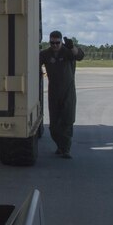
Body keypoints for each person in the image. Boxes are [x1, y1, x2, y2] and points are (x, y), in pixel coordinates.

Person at [40, 30, 84, 158]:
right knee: (54, 125)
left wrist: (72, 47)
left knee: (67, 120)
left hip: (68, 90)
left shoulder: (67, 52)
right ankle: (60, 145)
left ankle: (65, 149)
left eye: (57, 42)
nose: (54, 45)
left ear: (60, 41)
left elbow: (80, 56)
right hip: (54, 91)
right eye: (52, 42)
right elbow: (34, 63)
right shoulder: (45, 54)